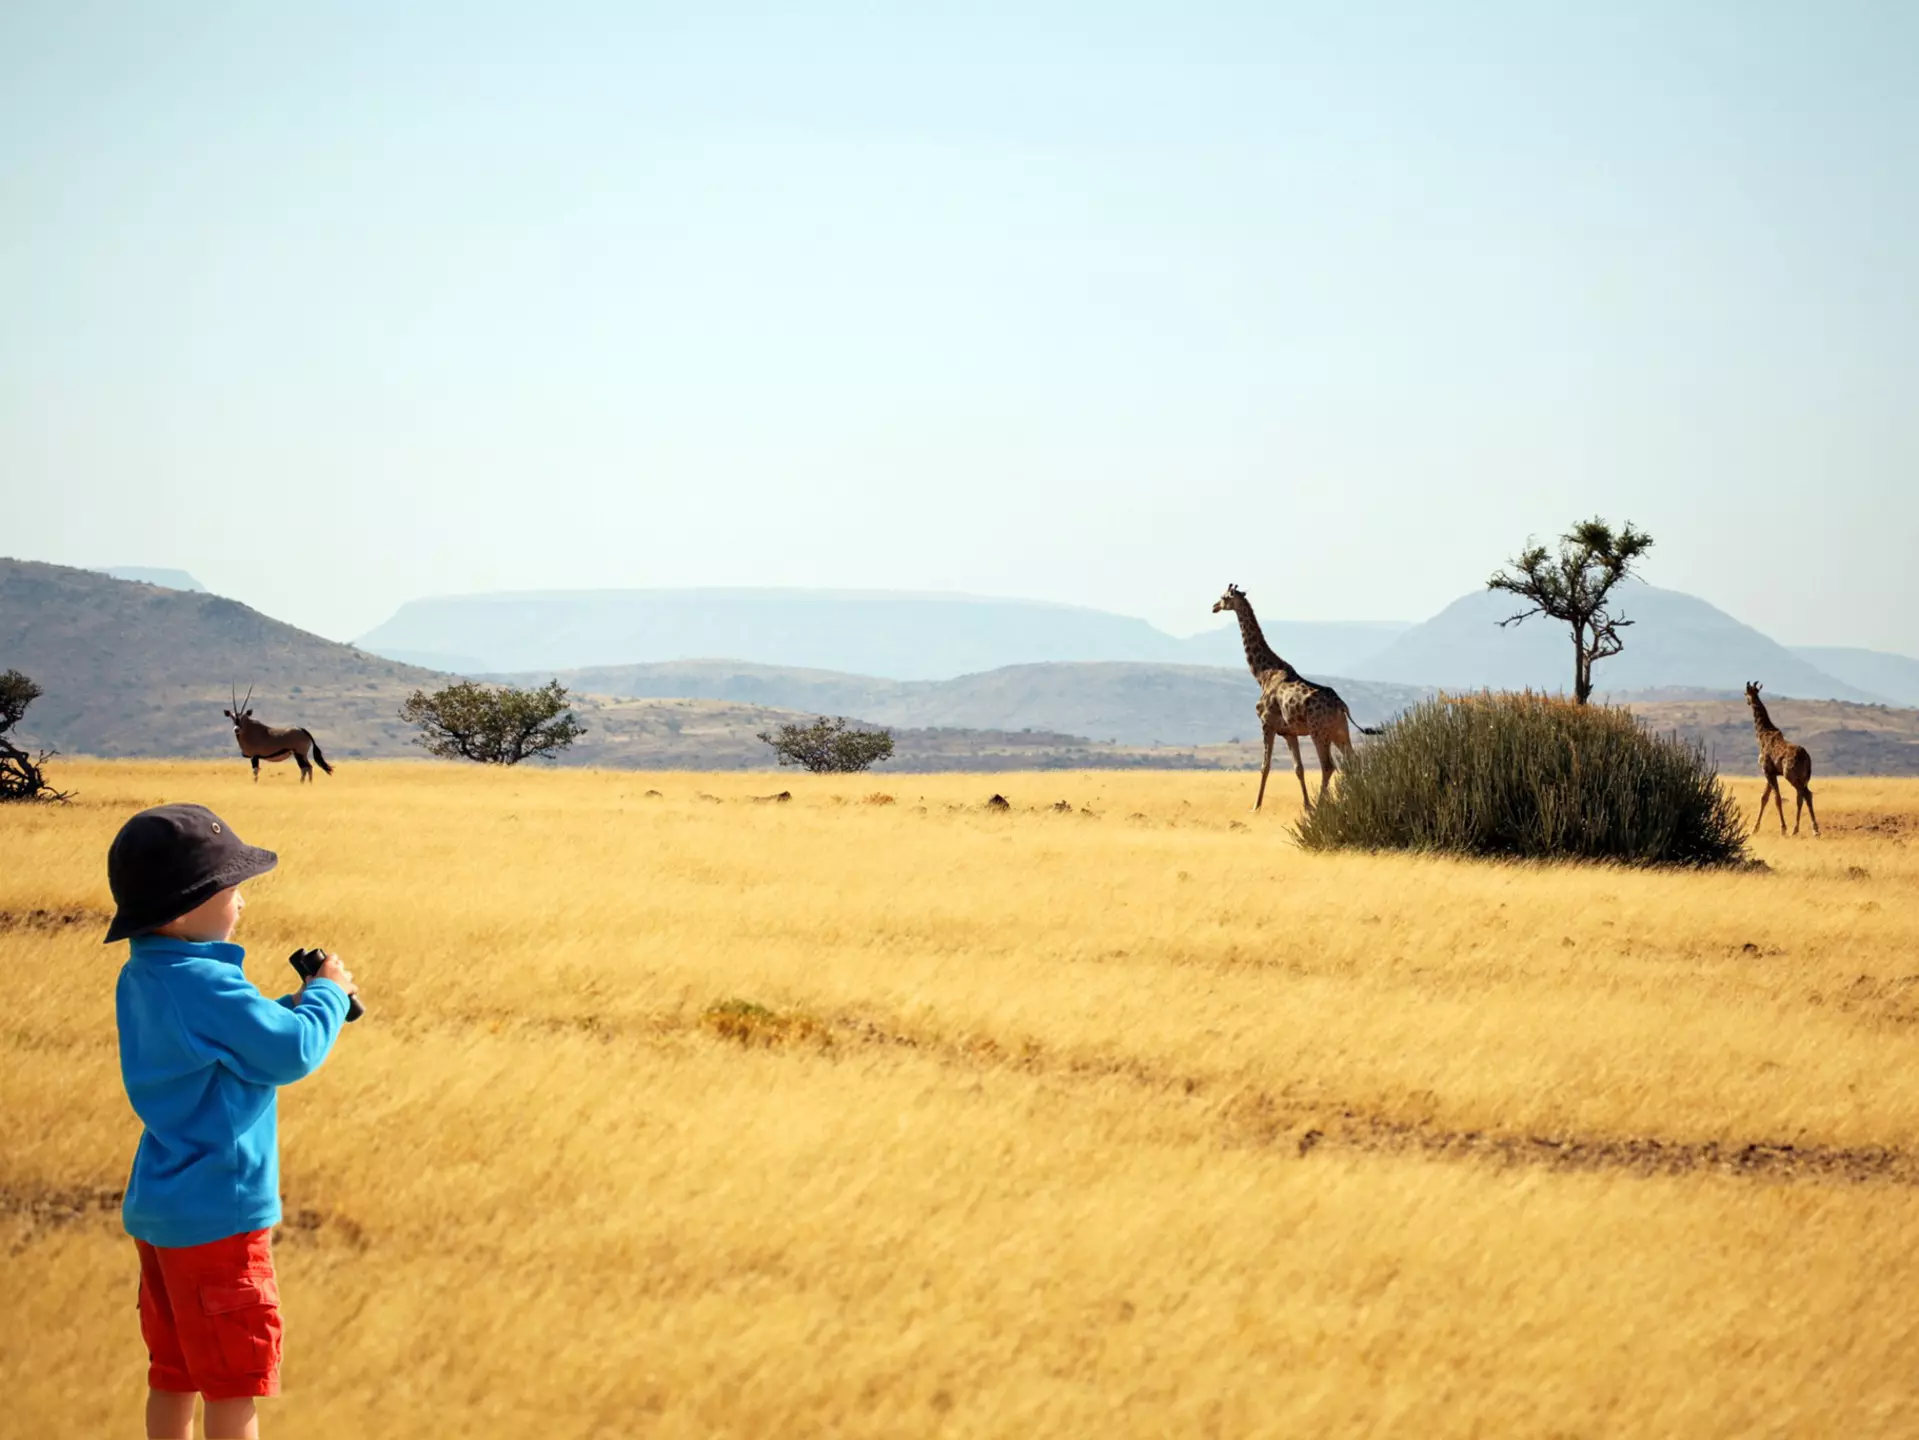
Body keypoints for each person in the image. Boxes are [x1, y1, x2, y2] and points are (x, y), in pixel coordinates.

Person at [105, 804, 361, 1440]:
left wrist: (287, 1007)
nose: (241, 903)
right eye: (232, 889)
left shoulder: (147, 974)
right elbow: (290, 1052)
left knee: (173, 1373)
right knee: (234, 1384)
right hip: (220, 1218)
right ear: (186, 907)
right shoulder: (207, 984)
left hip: (163, 1213)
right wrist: (326, 993)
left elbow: (224, 1044)